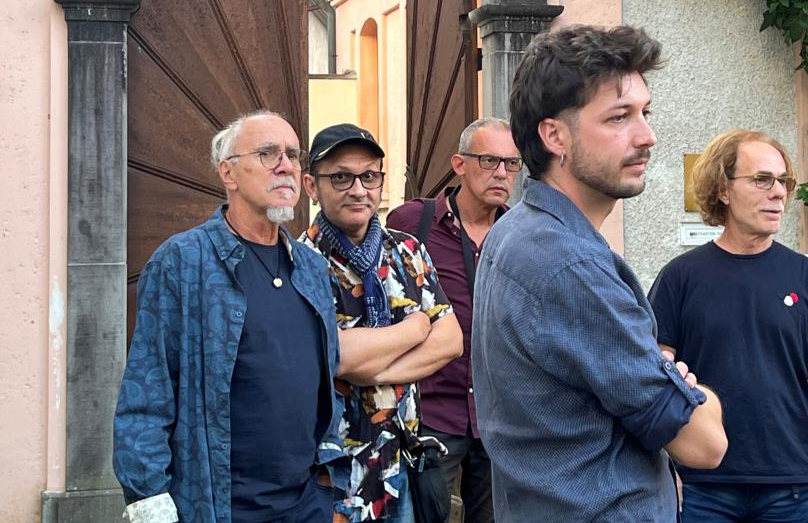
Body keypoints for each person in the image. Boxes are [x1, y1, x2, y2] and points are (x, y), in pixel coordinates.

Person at [472, 25, 728, 522]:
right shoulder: (571, 267)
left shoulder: (516, 231)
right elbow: (705, 443)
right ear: (555, 136)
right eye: (619, 117)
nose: (647, 136)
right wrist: (684, 386)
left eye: (646, 113)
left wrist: (669, 380)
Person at [113, 110, 343, 523]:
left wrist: (327, 475)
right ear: (228, 172)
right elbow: (148, 388)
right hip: (218, 505)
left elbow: (326, 377)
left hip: (306, 503)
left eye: (293, 155)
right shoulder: (183, 261)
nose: (286, 166)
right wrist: (149, 498)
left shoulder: (311, 268)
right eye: (268, 153)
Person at [648, 129, 808, 523]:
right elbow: (655, 378)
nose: (778, 192)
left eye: (783, 181)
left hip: (791, 486)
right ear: (723, 190)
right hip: (701, 487)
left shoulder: (807, 278)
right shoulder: (680, 278)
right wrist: (660, 464)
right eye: (762, 179)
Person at [300, 123, 463, 523]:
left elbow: (450, 340)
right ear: (311, 186)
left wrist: (371, 370)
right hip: (334, 475)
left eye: (369, 176)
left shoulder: (407, 250)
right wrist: (413, 330)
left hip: (401, 464)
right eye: (341, 177)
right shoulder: (301, 263)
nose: (358, 189)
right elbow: (337, 357)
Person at [387, 118, 520, 523]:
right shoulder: (412, 222)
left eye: (512, 163)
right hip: (432, 412)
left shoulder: (520, 234)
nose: (501, 173)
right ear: (459, 164)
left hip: (499, 417)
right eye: (489, 160)